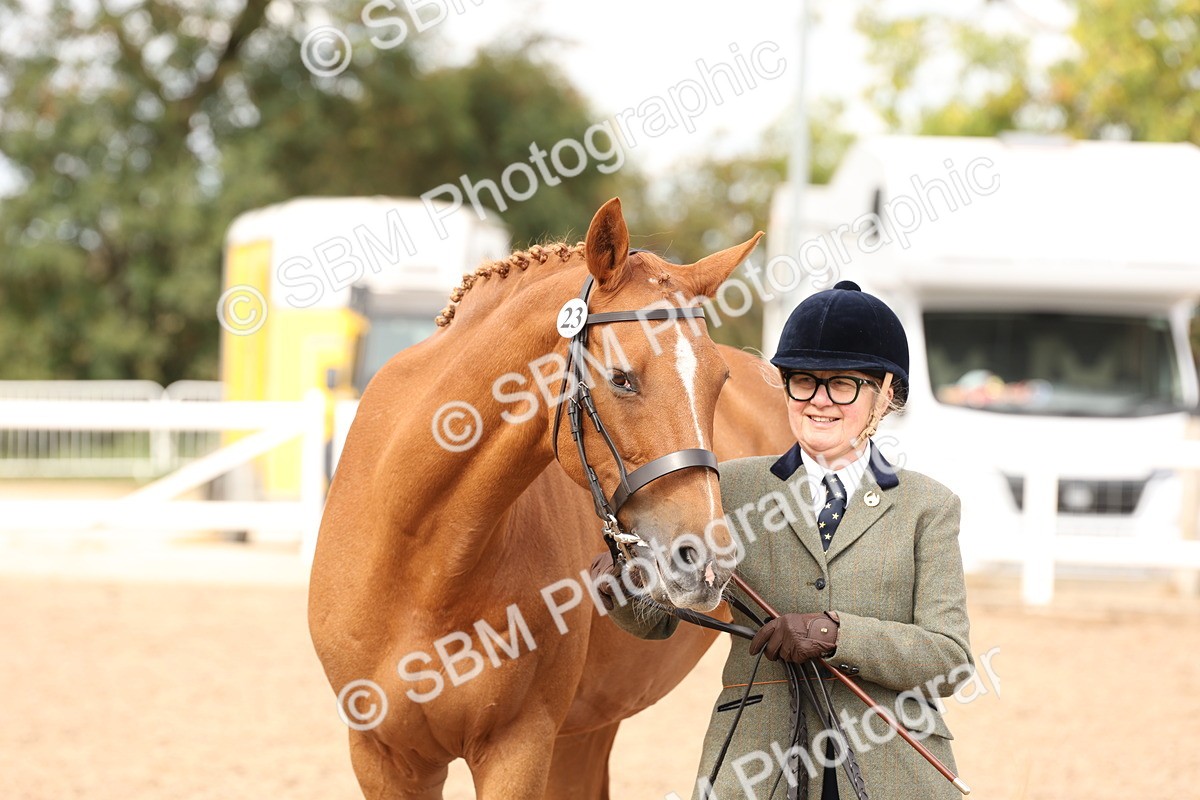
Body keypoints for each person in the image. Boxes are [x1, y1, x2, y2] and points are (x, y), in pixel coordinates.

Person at [593, 281, 974, 800]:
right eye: (803, 382)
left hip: (894, 767)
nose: (819, 401)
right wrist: (622, 592)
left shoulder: (928, 507)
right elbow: (662, 618)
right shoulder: (730, 487)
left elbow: (949, 658)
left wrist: (836, 634)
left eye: (842, 385)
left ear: (885, 393)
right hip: (760, 763)